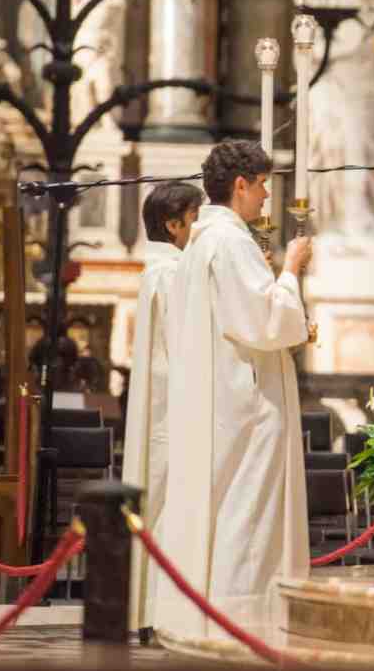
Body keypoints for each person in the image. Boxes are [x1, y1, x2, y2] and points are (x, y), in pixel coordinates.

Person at [154, 141, 314, 639]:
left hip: (218, 400)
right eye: (262, 184)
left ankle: (210, 620)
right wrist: (291, 270)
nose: (267, 195)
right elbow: (266, 322)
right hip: (249, 409)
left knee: (226, 510)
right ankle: (243, 627)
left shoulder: (203, 242)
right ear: (240, 184)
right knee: (248, 517)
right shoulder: (230, 241)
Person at [122, 181, 203, 637]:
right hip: (172, 410)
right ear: (173, 225)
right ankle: (158, 612)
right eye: (196, 218)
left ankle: (154, 610)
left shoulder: (163, 269)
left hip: (166, 406)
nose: (201, 226)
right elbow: (188, 344)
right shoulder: (172, 274)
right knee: (166, 503)